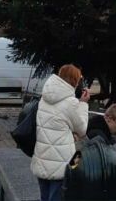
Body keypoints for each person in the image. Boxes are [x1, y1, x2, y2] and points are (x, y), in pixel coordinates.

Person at [31, 63, 89, 201]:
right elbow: (82, 130)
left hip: (42, 157)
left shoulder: (44, 99)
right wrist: (83, 103)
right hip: (62, 163)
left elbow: (56, 124)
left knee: (44, 197)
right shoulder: (71, 103)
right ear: (74, 82)